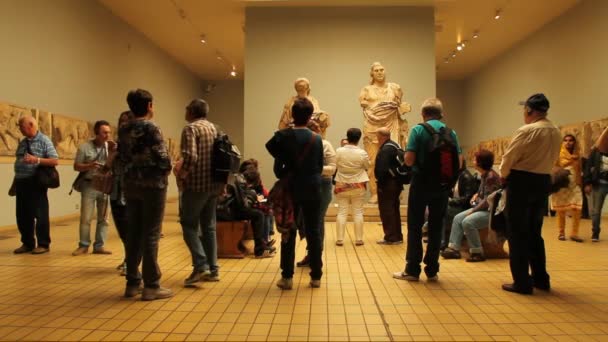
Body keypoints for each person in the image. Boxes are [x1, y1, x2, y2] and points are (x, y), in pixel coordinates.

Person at [393, 98, 461, 282]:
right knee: (436, 226)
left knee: (415, 226)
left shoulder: (418, 130)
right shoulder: (451, 132)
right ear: (441, 114)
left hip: (421, 183)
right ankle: (432, 269)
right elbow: (460, 162)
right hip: (442, 186)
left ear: (423, 114)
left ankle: (412, 269)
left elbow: (409, 160)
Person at [499, 93, 562, 294]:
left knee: (517, 233)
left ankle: (522, 282)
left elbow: (509, 157)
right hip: (542, 181)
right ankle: (541, 278)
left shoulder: (527, 131)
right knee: (535, 232)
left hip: (521, 182)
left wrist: (504, 175)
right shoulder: (555, 131)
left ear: (529, 110)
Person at [118, 89, 173, 300]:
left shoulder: (123, 129)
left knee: (134, 233)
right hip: (153, 186)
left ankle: (132, 282)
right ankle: (151, 285)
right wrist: (167, 169)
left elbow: (122, 158)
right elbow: (162, 157)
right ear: (149, 105)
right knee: (151, 233)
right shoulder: (151, 127)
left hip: (131, 184)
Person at [266, 97, 324, 289]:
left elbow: (272, 151)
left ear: (291, 114)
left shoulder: (282, 136)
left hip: (290, 188)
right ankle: (316, 276)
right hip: (313, 188)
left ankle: (287, 277)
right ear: (309, 117)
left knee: (288, 229)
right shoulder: (317, 139)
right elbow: (319, 165)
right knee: (314, 230)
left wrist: (284, 166)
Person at [173, 99, 226, 286]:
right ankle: (214, 269)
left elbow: (191, 156)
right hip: (214, 185)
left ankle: (200, 265)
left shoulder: (191, 129)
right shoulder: (215, 128)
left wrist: (182, 175)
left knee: (188, 224)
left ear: (191, 111)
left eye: (186, 109)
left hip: (196, 185)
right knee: (209, 226)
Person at [359, 62, 411, 202]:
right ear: (372, 73)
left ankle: (396, 189)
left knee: (395, 159)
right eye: (376, 70)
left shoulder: (394, 88)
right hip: (372, 127)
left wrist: (403, 110)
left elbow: (399, 107)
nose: (380, 72)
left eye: (382, 70)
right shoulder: (366, 90)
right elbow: (365, 108)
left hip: (392, 125)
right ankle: (375, 192)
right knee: (373, 161)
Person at [441, 150, 500, 262]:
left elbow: (488, 201)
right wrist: (476, 195)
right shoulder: (485, 175)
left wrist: (473, 211)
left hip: (491, 212)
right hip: (483, 209)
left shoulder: (491, 177)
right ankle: (453, 248)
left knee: (468, 222)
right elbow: (483, 193)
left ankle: (477, 252)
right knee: (458, 218)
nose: (472, 161)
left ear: (480, 162)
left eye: (474, 159)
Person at [12, 115, 59, 254]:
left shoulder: (44, 140)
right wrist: (15, 182)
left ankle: (43, 244)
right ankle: (27, 243)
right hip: (21, 182)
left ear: (31, 125)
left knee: (40, 214)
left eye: (21, 126)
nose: (20, 129)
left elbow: (54, 160)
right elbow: (19, 161)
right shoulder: (23, 142)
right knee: (22, 215)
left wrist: (36, 159)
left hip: (36, 183)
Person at [296, 120, 336, 266]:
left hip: (322, 184)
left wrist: (313, 169)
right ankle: (312, 254)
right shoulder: (300, 145)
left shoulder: (325, 145)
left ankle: (315, 256)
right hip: (305, 184)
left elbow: (332, 168)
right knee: (306, 221)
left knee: (317, 221)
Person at [72, 120, 113, 256]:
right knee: (86, 218)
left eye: (109, 132)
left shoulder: (111, 147)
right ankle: (83, 245)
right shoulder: (84, 147)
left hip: (105, 185)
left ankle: (99, 246)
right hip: (89, 184)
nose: (107, 135)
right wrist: (89, 166)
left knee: (104, 218)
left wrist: (114, 153)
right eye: (104, 132)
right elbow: (76, 166)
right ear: (96, 133)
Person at [107, 111, 133, 275]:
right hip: (116, 189)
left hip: (131, 189)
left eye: (126, 121)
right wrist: (112, 152)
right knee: (122, 227)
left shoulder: (135, 143)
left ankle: (132, 263)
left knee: (131, 228)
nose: (122, 124)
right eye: (120, 121)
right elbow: (107, 166)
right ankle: (128, 258)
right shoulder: (117, 144)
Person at [334, 128, 370, 246]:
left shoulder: (339, 151)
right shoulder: (362, 153)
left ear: (347, 137)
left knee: (342, 211)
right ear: (359, 138)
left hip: (341, 184)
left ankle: (340, 239)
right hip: (358, 184)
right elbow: (367, 165)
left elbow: (335, 164)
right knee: (358, 212)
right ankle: (359, 239)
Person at [551, 134, 584, 242]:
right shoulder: (558, 154)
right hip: (562, 184)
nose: (568, 142)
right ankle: (561, 233)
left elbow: (579, 170)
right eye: (565, 140)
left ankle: (574, 233)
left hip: (575, 185)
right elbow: (553, 167)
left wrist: (581, 182)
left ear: (574, 142)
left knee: (577, 208)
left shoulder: (577, 154)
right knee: (561, 210)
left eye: (570, 140)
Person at [440, 160, 479, 250]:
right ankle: (437, 237)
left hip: (463, 207)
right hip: (457, 205)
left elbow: (467, 199)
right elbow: (451, 192)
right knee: (438, 208)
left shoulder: (466, 177)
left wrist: (450, 201)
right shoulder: (457, 176)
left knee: (443, 210)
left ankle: (443, 241)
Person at [375, 127, 404, 245]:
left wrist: (380, 184)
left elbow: (382, 169)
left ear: (382, 136)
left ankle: (391, 237)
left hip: (387, 184)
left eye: (377, 136)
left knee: (387, 210)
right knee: (394, 209)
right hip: (395, 183)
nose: (376, 139)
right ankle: (397, 236)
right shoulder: (394, 145)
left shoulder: (386, 149)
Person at [583, 147, 607, 242]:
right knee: (596, 211)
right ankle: (595, 232)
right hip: (599, 184)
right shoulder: (596, 151)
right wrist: (587, 183)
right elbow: (588, 167)